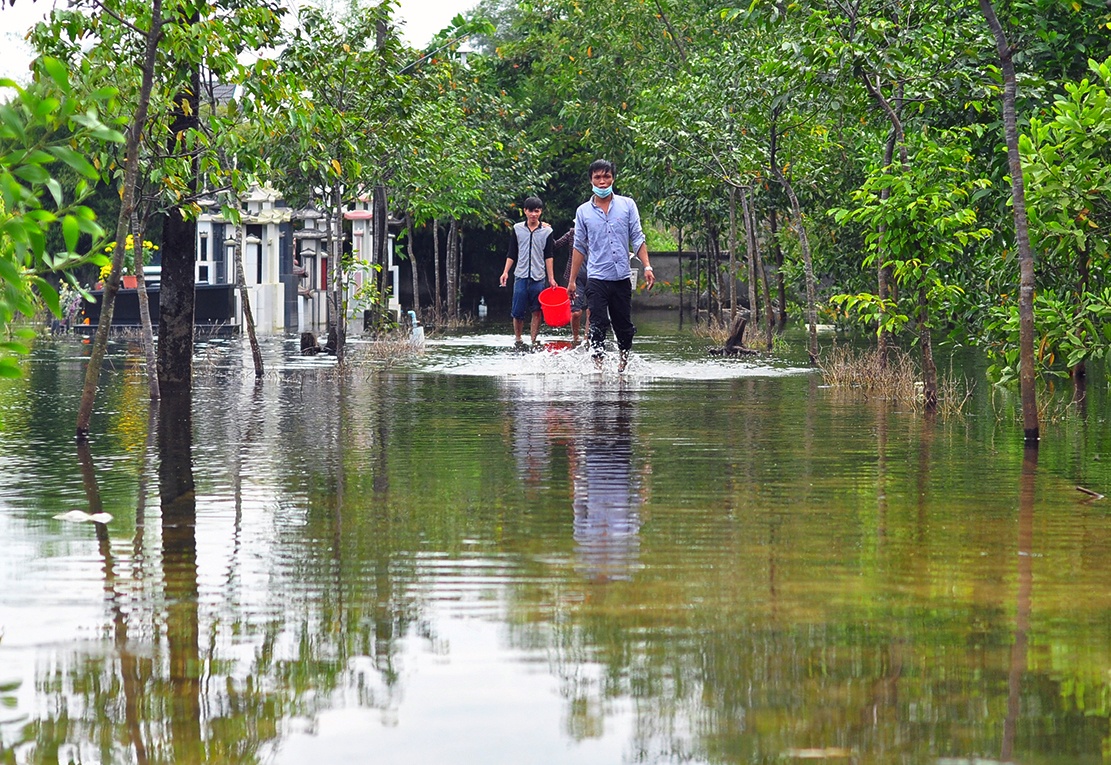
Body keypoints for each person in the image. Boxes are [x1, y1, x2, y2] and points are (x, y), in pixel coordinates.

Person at [568, 159, 655, 371]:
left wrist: (647, 266)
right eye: (598, 177)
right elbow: (579, 246)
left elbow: (637, 237)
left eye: (606, 176)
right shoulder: (583, 212)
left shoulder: (627, 205)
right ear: (591, 180)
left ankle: (623, 363)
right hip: (596, 276)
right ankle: (598, 366)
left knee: (623, 326)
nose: (603, 181)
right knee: (597, 323)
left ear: (613, 178)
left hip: (621, 277)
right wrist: (572, 280)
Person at [500, 196, 557, 350]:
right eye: (530, 211)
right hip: (521, 274)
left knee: (537, 310)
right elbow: (512, 252)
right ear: (525, 211)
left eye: (537, 211)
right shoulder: (517, 229)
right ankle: (518, 339)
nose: (533, 214)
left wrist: (551, 278)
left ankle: (533, 340)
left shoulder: (547, 231)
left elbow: (549, 255)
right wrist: (505, 272)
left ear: (541, 212)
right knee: (517, 311)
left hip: (538, 276)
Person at [555, 221, 588, 345]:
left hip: (594, 276)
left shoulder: (598, 232)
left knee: (592, 310)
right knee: (576, 312)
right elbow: (555, 245)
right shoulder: (572, 234)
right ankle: (575, 338)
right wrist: (545, 230)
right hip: (575, 277)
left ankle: (587, 338)